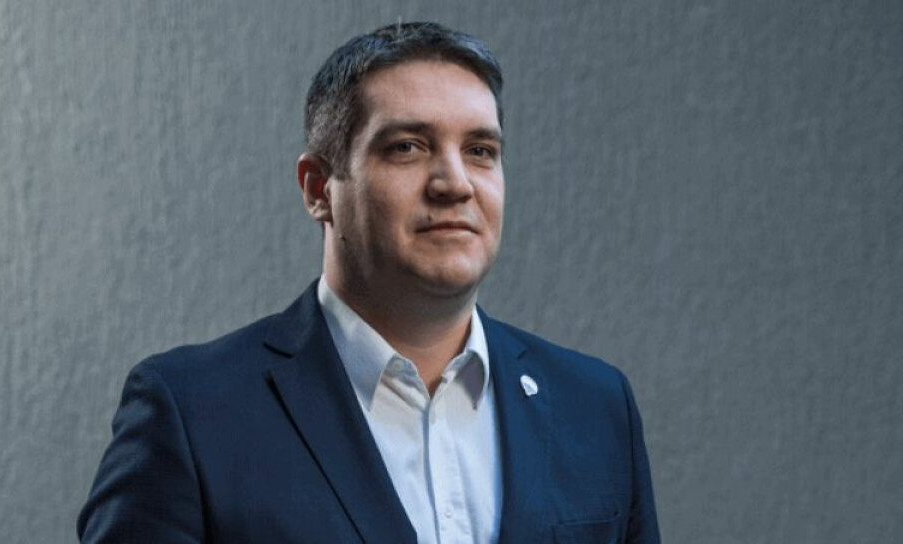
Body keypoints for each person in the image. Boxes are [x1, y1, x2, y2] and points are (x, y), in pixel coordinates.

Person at [78, 22, 660, 544]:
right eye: (407, 147)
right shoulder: (192, 411)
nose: (455, 183)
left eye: (480, 150)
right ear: (318, 189)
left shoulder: (595, 405)